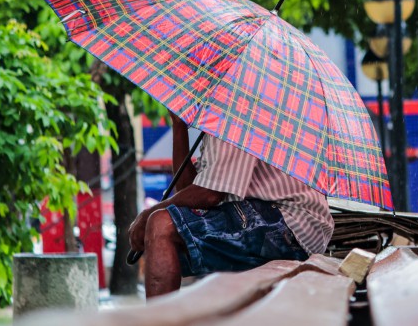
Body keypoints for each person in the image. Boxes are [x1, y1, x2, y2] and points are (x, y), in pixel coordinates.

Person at [128, 113, 334, 298]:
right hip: (282, 221)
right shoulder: (217, 119)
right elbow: (188, 189)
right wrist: (179, 125)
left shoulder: (235, 109)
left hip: (290, 222)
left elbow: (210, 195)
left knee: (161, 225)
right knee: (166, 227)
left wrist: (148, 214)